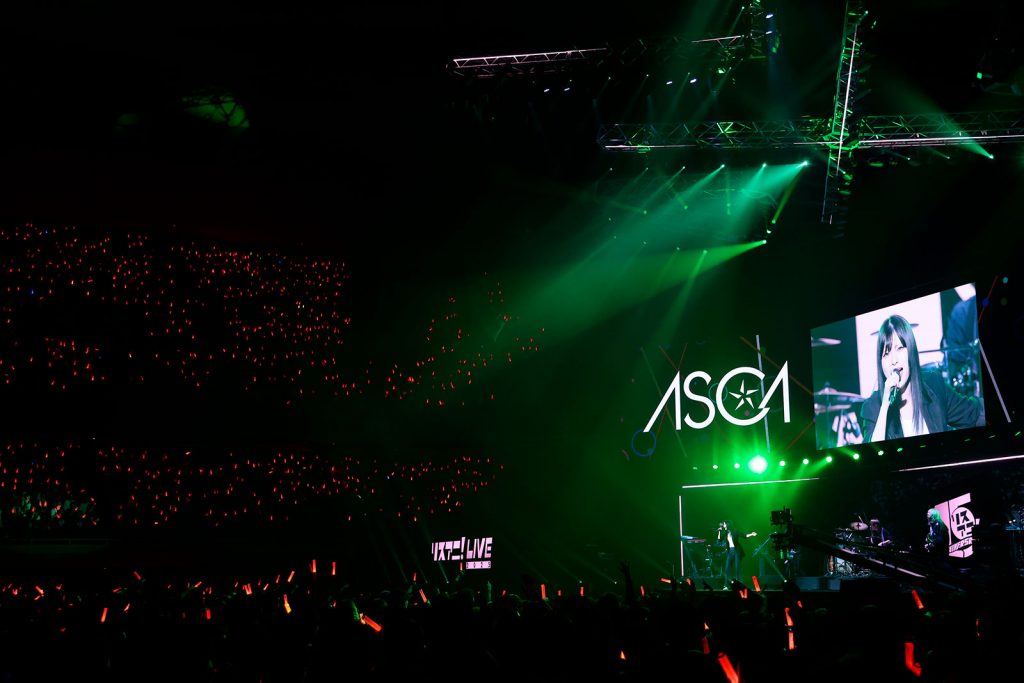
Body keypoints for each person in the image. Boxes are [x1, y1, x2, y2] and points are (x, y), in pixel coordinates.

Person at [860, 315, 983, 443]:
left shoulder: (934, 384)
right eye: (886, 353)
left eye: (899, 348)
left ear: (911, 350)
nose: (893, 360)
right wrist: (885, 405)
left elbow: (973, 413)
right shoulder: (872, 406)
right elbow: (873, 451)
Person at [716, 520, 757, 588]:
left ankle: (739, 584)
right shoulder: (725, 533)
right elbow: (719, 540)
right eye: (723, 524)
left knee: (737, 568)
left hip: (737, 550)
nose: (723, 525)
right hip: (730, 551)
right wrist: (719, 532)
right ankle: (726, 585)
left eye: (724, 524)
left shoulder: (735, 531)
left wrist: (752, 534)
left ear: (728, 524)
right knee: (727, 568)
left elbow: (745, 535)